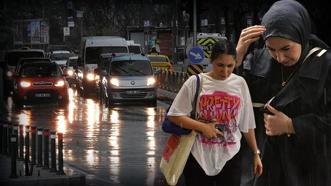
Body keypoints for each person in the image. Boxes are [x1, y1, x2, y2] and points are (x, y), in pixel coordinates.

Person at [235, 0, 331, 185]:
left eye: (286, 48)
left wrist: (292, 125)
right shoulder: (256, 60)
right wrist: (236, 59)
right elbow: (229, 102)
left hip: (308, 169)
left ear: (301, 35)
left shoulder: (325, 65)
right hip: (263, 167)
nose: (280, 57)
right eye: (271, 49)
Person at [167, 38, 263, 186]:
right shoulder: (196, 82)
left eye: (230, 66)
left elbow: (247, 124)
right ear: (211, 61)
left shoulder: (240, 84)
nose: (225, 71)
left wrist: (256, 153)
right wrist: (203, 127)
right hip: (197, 156)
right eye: (220, 65)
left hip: (230, 157)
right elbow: (174, 115)